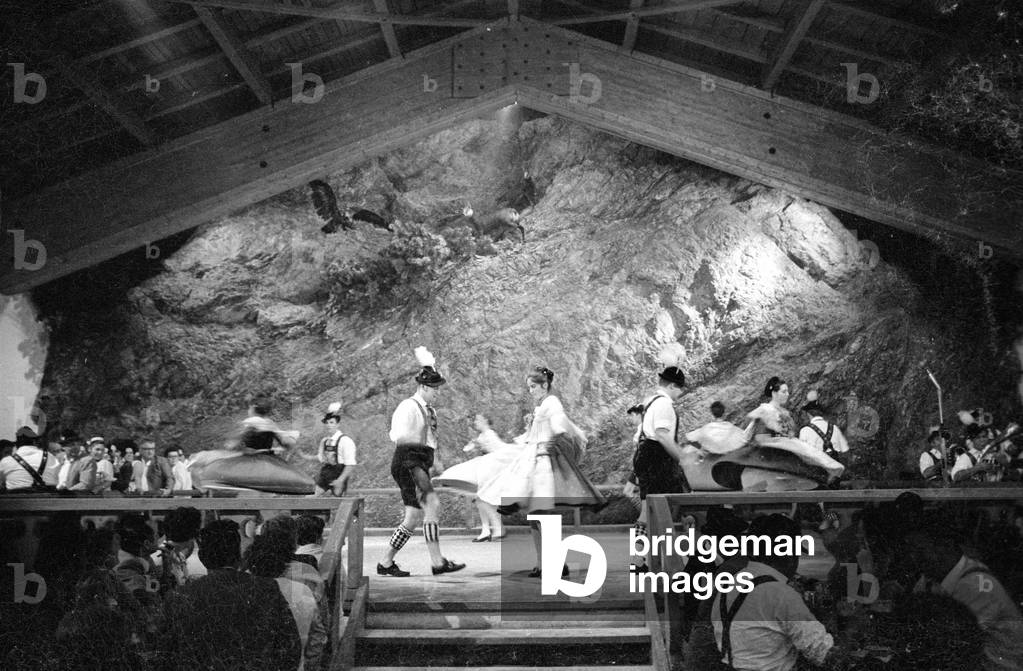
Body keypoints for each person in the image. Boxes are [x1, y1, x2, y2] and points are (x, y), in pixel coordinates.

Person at [477, 365, 605, 577]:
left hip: (544, 463)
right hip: (535, 460)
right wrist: (534, 428)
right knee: (536, 515)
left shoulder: (552, 402)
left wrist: (549, 441)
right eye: (529, 387)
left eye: (533, 386)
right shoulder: (544, 404)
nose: (531, 391)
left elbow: (560, 427)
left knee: (542, 515)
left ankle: (555, 564)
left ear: (545, 385)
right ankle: (544, 563)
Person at [159, 519, 303, 671]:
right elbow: (290, 647)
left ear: (202, 557)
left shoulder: (178, 597)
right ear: (238, 555)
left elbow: (166, 655)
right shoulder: (266, 588)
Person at [710, 514, 844, 671]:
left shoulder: (729, 585)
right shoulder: (780, 594)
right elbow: (826, 656)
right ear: (787, 554)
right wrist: (853, 629)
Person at [377, 346, 465, 577]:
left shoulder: (429, 410)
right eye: (435, 389)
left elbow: (430, 439)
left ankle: (385, 562)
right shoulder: (408, 406)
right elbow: (398, 437)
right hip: (409, 460)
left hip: (418, 462)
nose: (437, 393)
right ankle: (437, 562)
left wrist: (433, 461)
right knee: (432, 504)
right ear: (424, 386)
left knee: (413, 516)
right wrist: (419, 454)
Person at [905, 512, 1023, 670]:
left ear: (946, 545)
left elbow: (953, 643)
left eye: (920, 550)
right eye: (910, 551)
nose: (913, 557)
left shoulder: (976, 584)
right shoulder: (931, 579)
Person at [628, 365, 689, 572]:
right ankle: (670, 562)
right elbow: (662, 435)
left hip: (647, 457)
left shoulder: (651, 401)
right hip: (657, 460)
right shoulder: (664, 404)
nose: (681, 392)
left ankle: (639, 559)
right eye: (680, 388)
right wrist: (682, 457)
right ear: (672, 385)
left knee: (648, 511)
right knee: (668, 509)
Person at [189, 397, 312, 494]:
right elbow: (285, 443)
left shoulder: (249, 422)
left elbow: (235, 443)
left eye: (249, 408)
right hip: (268, 459)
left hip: (249, 458)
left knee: (199, 462)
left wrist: (233, 445)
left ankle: (204, 491)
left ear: (252, 409)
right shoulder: (270, 423)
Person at [433, 413, 523, 541]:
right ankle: (487, 530)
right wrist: (476, 446)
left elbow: (501, 450)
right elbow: (471, 449)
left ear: (485, 420)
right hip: (486, 470)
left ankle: (497, 529)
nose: (475, 422)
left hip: (492, 471)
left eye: (478, 420)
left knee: (482, 498)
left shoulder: (490, 434)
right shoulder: (482, 436)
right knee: (480, 499)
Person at [315, 402, 358, 497]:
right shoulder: (326, 441)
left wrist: (340, 480)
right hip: (326, 473)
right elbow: (321, 458)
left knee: (337, 501)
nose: (328, 425)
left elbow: (350, 464)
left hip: (339, 474)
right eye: (327, 423)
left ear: (338, 424)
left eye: (331, 422)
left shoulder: (345, 441)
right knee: (311, 496)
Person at [0, 426, 60, 492]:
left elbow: (2, 482)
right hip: (48, 497)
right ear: (34, 442)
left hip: (16, 497)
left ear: (17, 444)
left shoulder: (6, 461)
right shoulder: (51, 457)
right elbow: (58, 478)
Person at [798, 390, 850, 461]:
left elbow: (802, 454)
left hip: (815, 466)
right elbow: (845, 450)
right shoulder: (834, 428)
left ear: (808, 414)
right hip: (834, 465)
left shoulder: (805, 430)